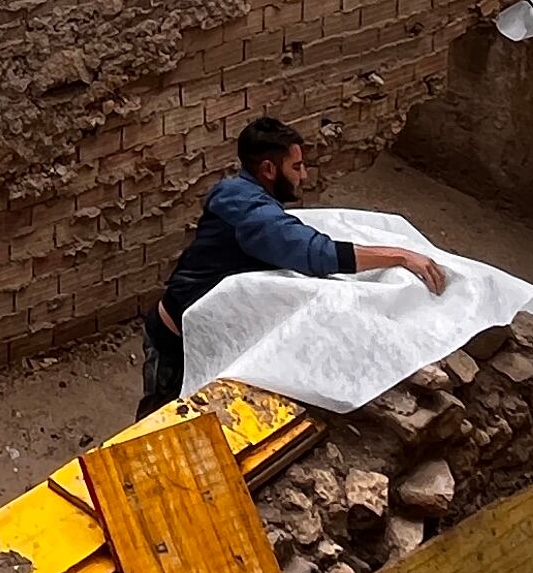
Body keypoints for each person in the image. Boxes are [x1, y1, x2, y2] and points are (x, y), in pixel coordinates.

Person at [138, 116, 450, 416]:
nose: (304, 176)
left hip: (191, 329)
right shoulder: (254, 216)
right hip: (176, 343)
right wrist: (401, 255)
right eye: (297, 167)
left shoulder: (234, 190)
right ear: (269, 169)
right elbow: (319, 254)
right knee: (156, 433)